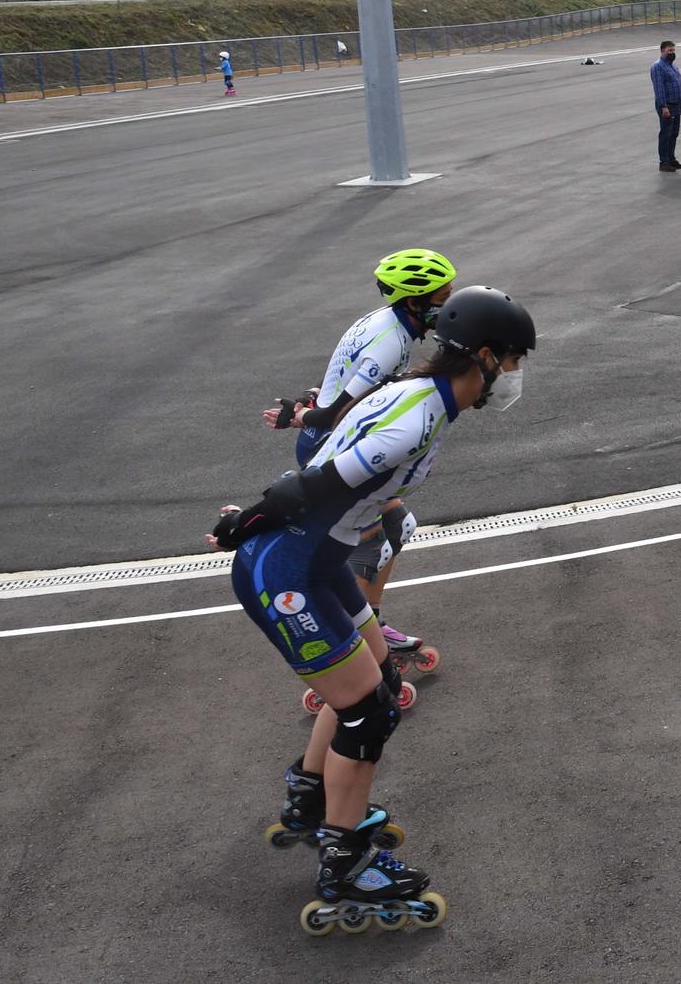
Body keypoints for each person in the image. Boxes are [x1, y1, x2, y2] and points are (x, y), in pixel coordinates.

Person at [216, 285, 536, 931]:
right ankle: (345, 862)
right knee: (368, 709)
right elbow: (317, 483)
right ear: (484, 357)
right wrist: (243, 520)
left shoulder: (429, 403)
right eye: (516, 359)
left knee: (381, 679)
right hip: (287, 569)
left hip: (317, 561)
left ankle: (310, 799)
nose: (518, 374)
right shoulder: (417, 415)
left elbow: (340, 458)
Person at [261, 248, 459, 686]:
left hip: (337, 438)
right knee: (374, 549)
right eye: (441, 296)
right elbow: (335, 411)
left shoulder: (385, 323)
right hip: (338, 447)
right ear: (414, 301)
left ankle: (367, 624)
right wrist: (302, 416)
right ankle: (361, 642)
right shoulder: (391, 342)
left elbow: (338, 384)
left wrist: (305, 405)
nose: (449, 304)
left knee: (398, 530)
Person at [652, 39, 681, 172]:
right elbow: (659, 89)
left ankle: (671, 159)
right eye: (669, 50)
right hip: (667, 105)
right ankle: (664, 162)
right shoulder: (658, 67)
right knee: (666, 133)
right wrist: (663, 106)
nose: (672, 53)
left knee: (674, 133)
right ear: (662, 51)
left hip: (676, 104)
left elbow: (679, 85)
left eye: (673, 50)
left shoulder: (673, 66)